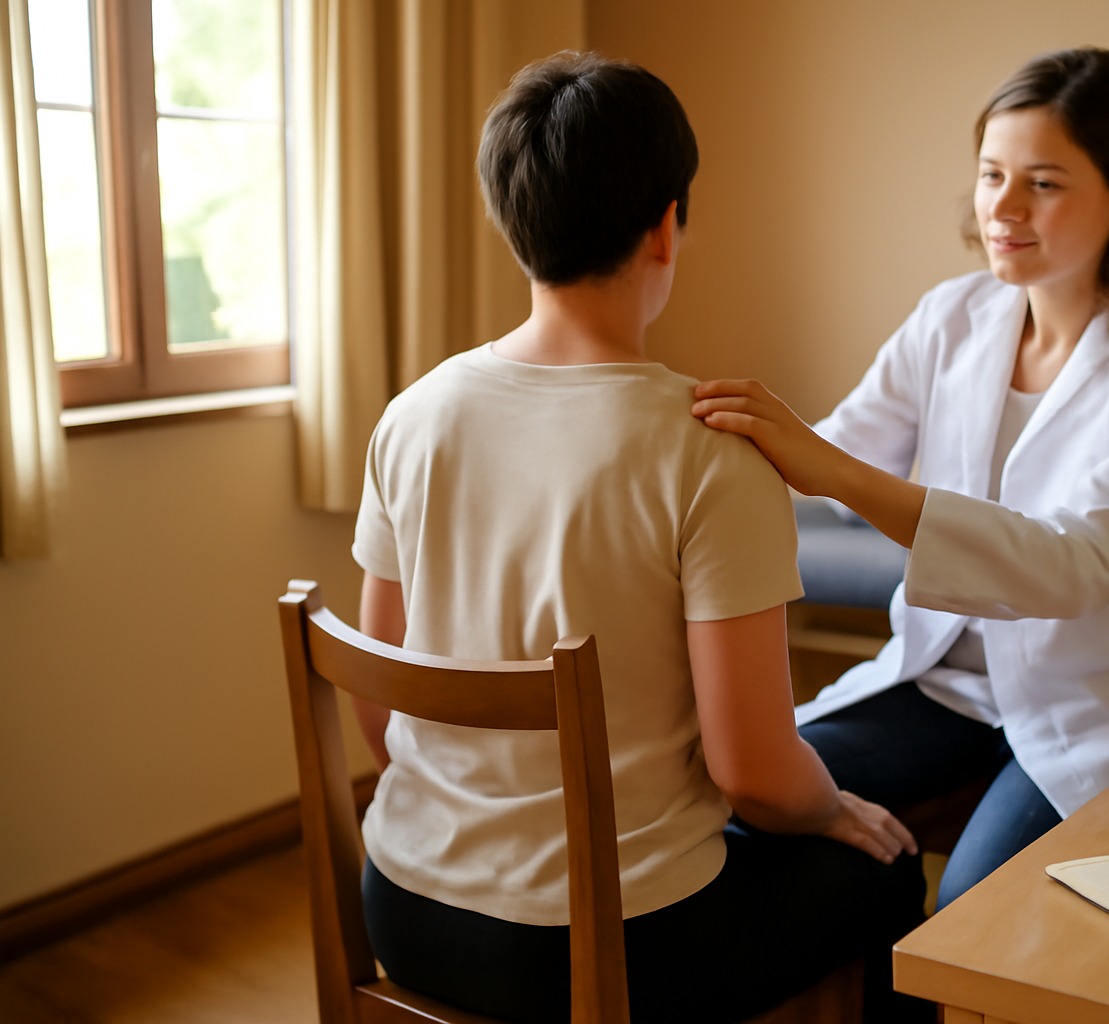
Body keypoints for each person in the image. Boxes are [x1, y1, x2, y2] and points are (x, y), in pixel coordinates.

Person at [349, 52, 927, 1024]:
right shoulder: (710, 449)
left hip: (406, 905)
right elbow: (754, 774)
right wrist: (836, 810)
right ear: (666, 224)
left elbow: (380, 706)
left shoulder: (414, 416)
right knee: (890, 872)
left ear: (510, 217)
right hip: (616, 943)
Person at [692, 47, 1109, 911]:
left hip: (1097, 706)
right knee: (739, 807)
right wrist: (669, 440)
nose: (1004, 209)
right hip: (941, 682)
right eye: (992, 175)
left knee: (968, 914)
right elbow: (828, 455)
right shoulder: (952, 317)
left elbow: (1075, 564)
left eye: (1044, 183)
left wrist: (830, 465)